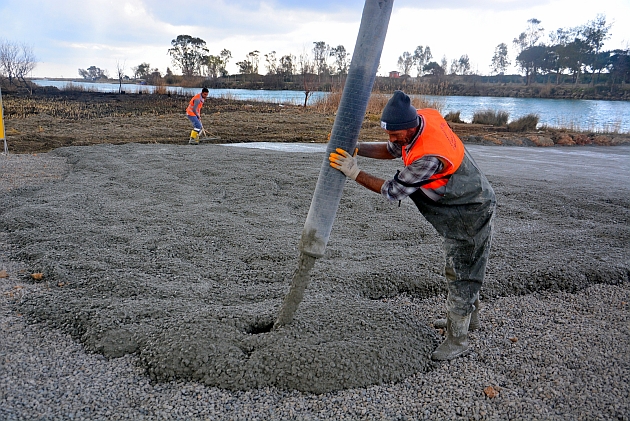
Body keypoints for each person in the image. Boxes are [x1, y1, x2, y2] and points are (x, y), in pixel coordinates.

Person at [328, 90, 496, 361]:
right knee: (462, 265)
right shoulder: (420, 122)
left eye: (396, 134)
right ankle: (469, 319)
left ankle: (458, 339)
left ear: (410, 126)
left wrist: (354, 172)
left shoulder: (429, 157)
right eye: (389, 134)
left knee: (462, 270)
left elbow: (392, 191)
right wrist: (355, 146)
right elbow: (393, 149)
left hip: (470, 209)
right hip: (462, 200)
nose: (392, 140)